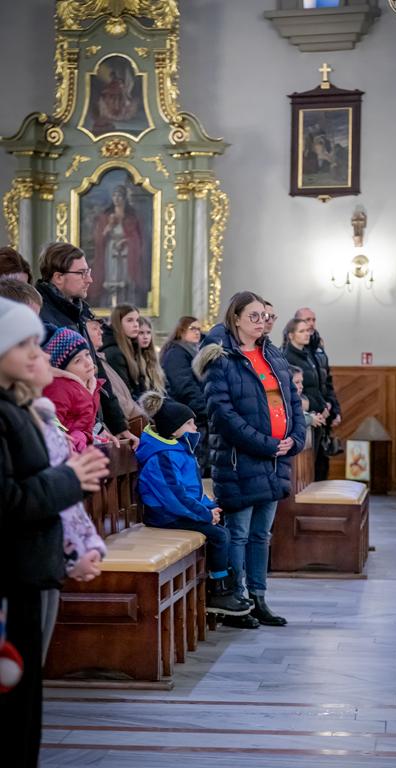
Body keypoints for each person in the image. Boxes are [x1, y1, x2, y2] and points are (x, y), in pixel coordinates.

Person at [0, 296, 109, 767]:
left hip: (33, 567)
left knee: (26, 700)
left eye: (36, 343)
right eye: (22, 343)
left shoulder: (21, 408)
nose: (36, 353)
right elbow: (8, 500)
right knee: (12, 701)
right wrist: (70, 478)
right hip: (12, 573)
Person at [193, 291, 306, 629]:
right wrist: (266, 444)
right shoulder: (221, 358)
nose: (261, 322)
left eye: (265, 316)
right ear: (236, 318)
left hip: (275, 460)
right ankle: (237, 601)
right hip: (239, 460)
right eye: (254, 316)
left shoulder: (273, 355)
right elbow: (222, 415)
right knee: (239, 533)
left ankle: (259, 597)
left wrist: (295, 438)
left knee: (261, 535)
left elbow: (293, 402)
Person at [14, 349, 107, 662]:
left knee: (32, 662)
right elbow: (15, 497)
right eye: (29, 344)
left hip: (45, 556)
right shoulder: (15, 420)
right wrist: (71, 477)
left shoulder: (42, 417)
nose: (43, 353)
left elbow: (67, 505)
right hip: (22, 560)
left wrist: (81, 548)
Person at [136, 392, 251, 617]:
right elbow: (175, 497)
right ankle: (218, 591)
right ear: (173, 429)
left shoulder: (178, 449)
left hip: (177, 511)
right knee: (219, 535)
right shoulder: (162, 455)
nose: (195, 427)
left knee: (222, 526)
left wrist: (209, 507)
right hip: (164, 516)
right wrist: (205, 514)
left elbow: (193, 489)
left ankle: (229, 588)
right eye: (189, 423)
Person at [36, 242, 138, 448]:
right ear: (58, 277)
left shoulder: (77, 312)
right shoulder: (41, 315)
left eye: (88, 272)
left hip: (85, 426)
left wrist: (116, 425)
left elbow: (96, 371)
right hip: (64, 435)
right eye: (82, 273)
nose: (89, 279)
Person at [294, 307, 342, 480]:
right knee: (308, 468)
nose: (311, 324)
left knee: (322, 465)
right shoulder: (293, 352)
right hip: (308, 413)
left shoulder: (318, 349)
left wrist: (334, 409)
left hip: (324, 413)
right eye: (307, 320)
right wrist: (317, 406)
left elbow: (327, 382)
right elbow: (299, 388)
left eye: (313, 320)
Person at [42, 327, 107, 452]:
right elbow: (52, 426)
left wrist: (94, 434)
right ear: (63, 369)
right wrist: (72, 438)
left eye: (87, 354)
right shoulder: (59, 389)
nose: (88, 362)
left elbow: (86, 423)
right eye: (77, 360)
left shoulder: (90, 385)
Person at [160, 316, 209, 474]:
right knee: (192, 467)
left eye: (199, 329)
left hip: (195, 414)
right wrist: (206, 409)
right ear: (181, 331)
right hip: (188, 414)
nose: (197, 332)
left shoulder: (192, 351)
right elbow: (185, 387)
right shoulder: (176, 353)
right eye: (192, 328)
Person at [91, 184, 146, 308]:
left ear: (124, 198)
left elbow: (137, 239)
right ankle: (111, 304)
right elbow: (99, 238)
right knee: (112, 276)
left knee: (125, 277)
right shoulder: (105, 216)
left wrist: (126, 241)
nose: (116, 198)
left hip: (126, 251)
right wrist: (109, 226)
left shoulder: (131, 217)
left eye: (119, 195)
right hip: (110, 250)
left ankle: (126, 304)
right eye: (114, 195)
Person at [86, 316, 145, 424]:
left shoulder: (101, 358)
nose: (101, 332)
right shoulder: (109, 356)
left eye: (100, 328)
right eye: (95, 328)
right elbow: (114, 399)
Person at [101, 304, 147, 400]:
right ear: (118, 323)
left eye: (137, 320)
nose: (136, 324)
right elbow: (124, 394)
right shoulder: (114, 353)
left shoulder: (133, 346)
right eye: (130, 320)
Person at [138, 316, 166, 395]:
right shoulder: (134, 359)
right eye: (141, 333)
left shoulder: (152, 357)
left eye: (148, 333)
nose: (145, 337)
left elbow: (165, 389)